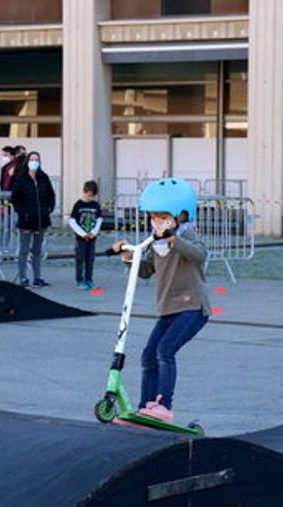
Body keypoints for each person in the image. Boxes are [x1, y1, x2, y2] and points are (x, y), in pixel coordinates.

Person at [108, 178, 210, 424]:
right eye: (154, 218)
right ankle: (145, 408)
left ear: (180, 217)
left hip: (192, 307)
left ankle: (164, 406)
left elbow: (200, 255)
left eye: (164, 218)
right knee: (148, 356)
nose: (158, 223)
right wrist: (127, 256)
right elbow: (144, 271)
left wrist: (174, 240)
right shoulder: (156, 244)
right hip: (168, 309)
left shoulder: (188, 236)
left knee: (165, 351)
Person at [10, 151, 55, 288]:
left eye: (37, 159)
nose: (34, 162)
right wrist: (23, 213)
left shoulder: (43, 177)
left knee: (37, 250)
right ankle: (23, 277)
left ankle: (38, 277)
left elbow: (50, 194)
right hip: (26, 221)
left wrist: (49, 208)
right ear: (28, 161)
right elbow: (15, 198)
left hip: (41, 220)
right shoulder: (21, 178)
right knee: (24, 250)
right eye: (32, 159)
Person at [68, 180, 103, 290]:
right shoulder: (78, 205)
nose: (90, 198)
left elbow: (99, 219)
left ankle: (89, 279)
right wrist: (82, 234)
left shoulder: (95, 205)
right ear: (84, 192)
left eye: (92, 196)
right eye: (89, 195)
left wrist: (94, 232)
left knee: (90, 259)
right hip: (81, 238)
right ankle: (80, 280)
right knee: (80, 259)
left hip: (92, 238)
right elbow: (72, 221)